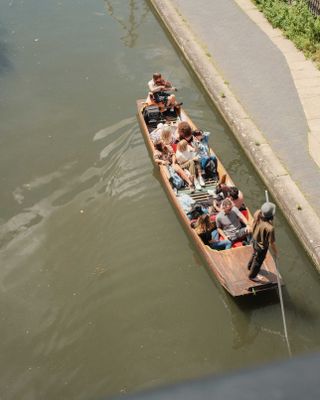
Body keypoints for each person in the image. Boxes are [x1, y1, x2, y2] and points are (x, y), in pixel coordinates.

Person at [247, 202, 278, 280]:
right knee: (258, 261)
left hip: (254, 240)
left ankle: (250, 266)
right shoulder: (270, 228)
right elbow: (271, 243)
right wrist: (276, 252)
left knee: (254, 254)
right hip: (261, 247)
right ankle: (252, 276)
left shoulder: (257, 213)